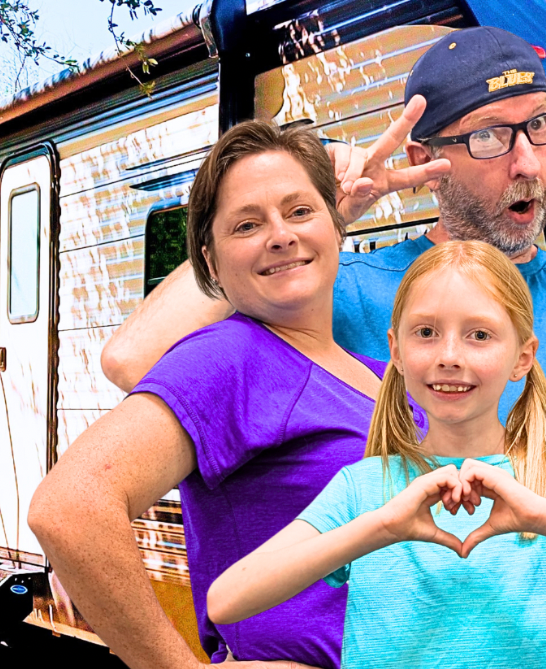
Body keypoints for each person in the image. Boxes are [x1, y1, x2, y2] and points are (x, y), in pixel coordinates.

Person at [98, 26, 546, 666]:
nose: (526, 162)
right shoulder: (348, 290)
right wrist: (323, 214)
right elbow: (136, 358)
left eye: (538, 128)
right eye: (490, 136)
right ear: (423, 158)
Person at [28, 119, 446, 669]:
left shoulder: (384, 375)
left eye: (300, 211)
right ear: (210, 262)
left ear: (336, 225)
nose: (280, 234)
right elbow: (69, 507)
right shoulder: (232, 356)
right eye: (247, 225)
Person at [208, 240, 546, 669]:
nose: (450, 357)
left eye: (479, 335)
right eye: (426, 333)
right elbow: (227, 600)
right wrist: (380, 527)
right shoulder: (362, 488)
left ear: (523, 357)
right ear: (396, 352)